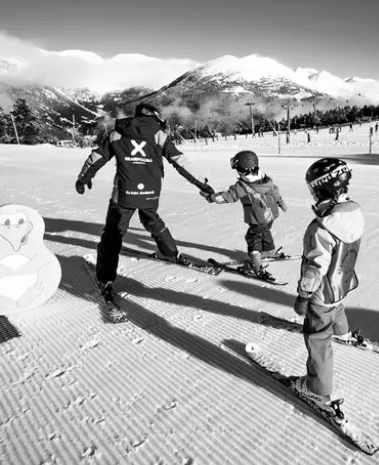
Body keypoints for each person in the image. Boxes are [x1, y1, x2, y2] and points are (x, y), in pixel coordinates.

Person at [75, 103, 214, 303]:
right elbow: (180, 162)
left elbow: (96, 157)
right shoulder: (160, 136)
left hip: (123, 195)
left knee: (113, 234)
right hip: (150, 194)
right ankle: (169, 252)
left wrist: (83, 178)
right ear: (156, 117)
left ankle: (105, 278)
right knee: (151, 220)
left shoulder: (116, 134)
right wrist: (203, 184)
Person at [289, 158, 364, 412]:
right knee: (338, 307)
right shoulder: (353, 214)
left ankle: (317, 389)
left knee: (318, 338)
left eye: (314, 189)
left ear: (322, 189)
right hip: (342, 282)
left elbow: (315, 267)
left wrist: (303, 295)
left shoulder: (321, 229)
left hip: (322, 293)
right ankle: (343, 332)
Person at [202, 150, 287, 278]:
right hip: (270, 217)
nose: (238, 173)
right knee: (264, 232)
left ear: (244, 169)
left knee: (252, 237)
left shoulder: (242, 186)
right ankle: (269, 251)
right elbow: (275, 192)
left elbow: (229, 196)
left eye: (239, 170)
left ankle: (256, 265)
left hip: (257, 219)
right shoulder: (266, 180)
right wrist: (281, 203)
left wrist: (212, 197)